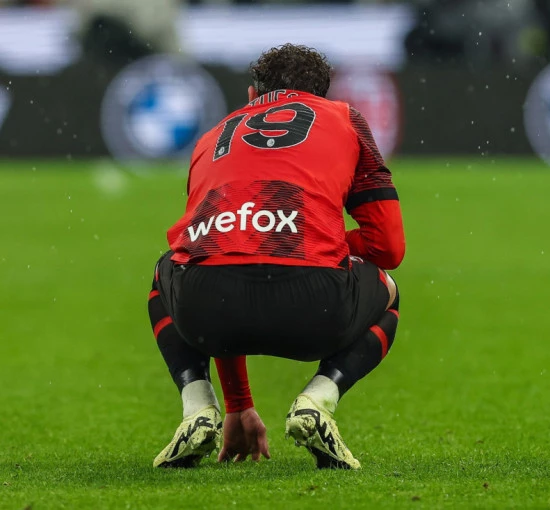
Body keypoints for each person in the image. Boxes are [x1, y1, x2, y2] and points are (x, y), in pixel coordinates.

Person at [147, 44, 405, 470]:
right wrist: (310, 235)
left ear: (252, 95)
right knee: (388, 292)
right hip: (315, 310)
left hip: (206, 309)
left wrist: (239, 403)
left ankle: (198, 407)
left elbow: (214, 248)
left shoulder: (212, 136)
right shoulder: (344, 118)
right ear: (323, 97)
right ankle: (318, 401)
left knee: (169, 268)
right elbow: (388, 248)